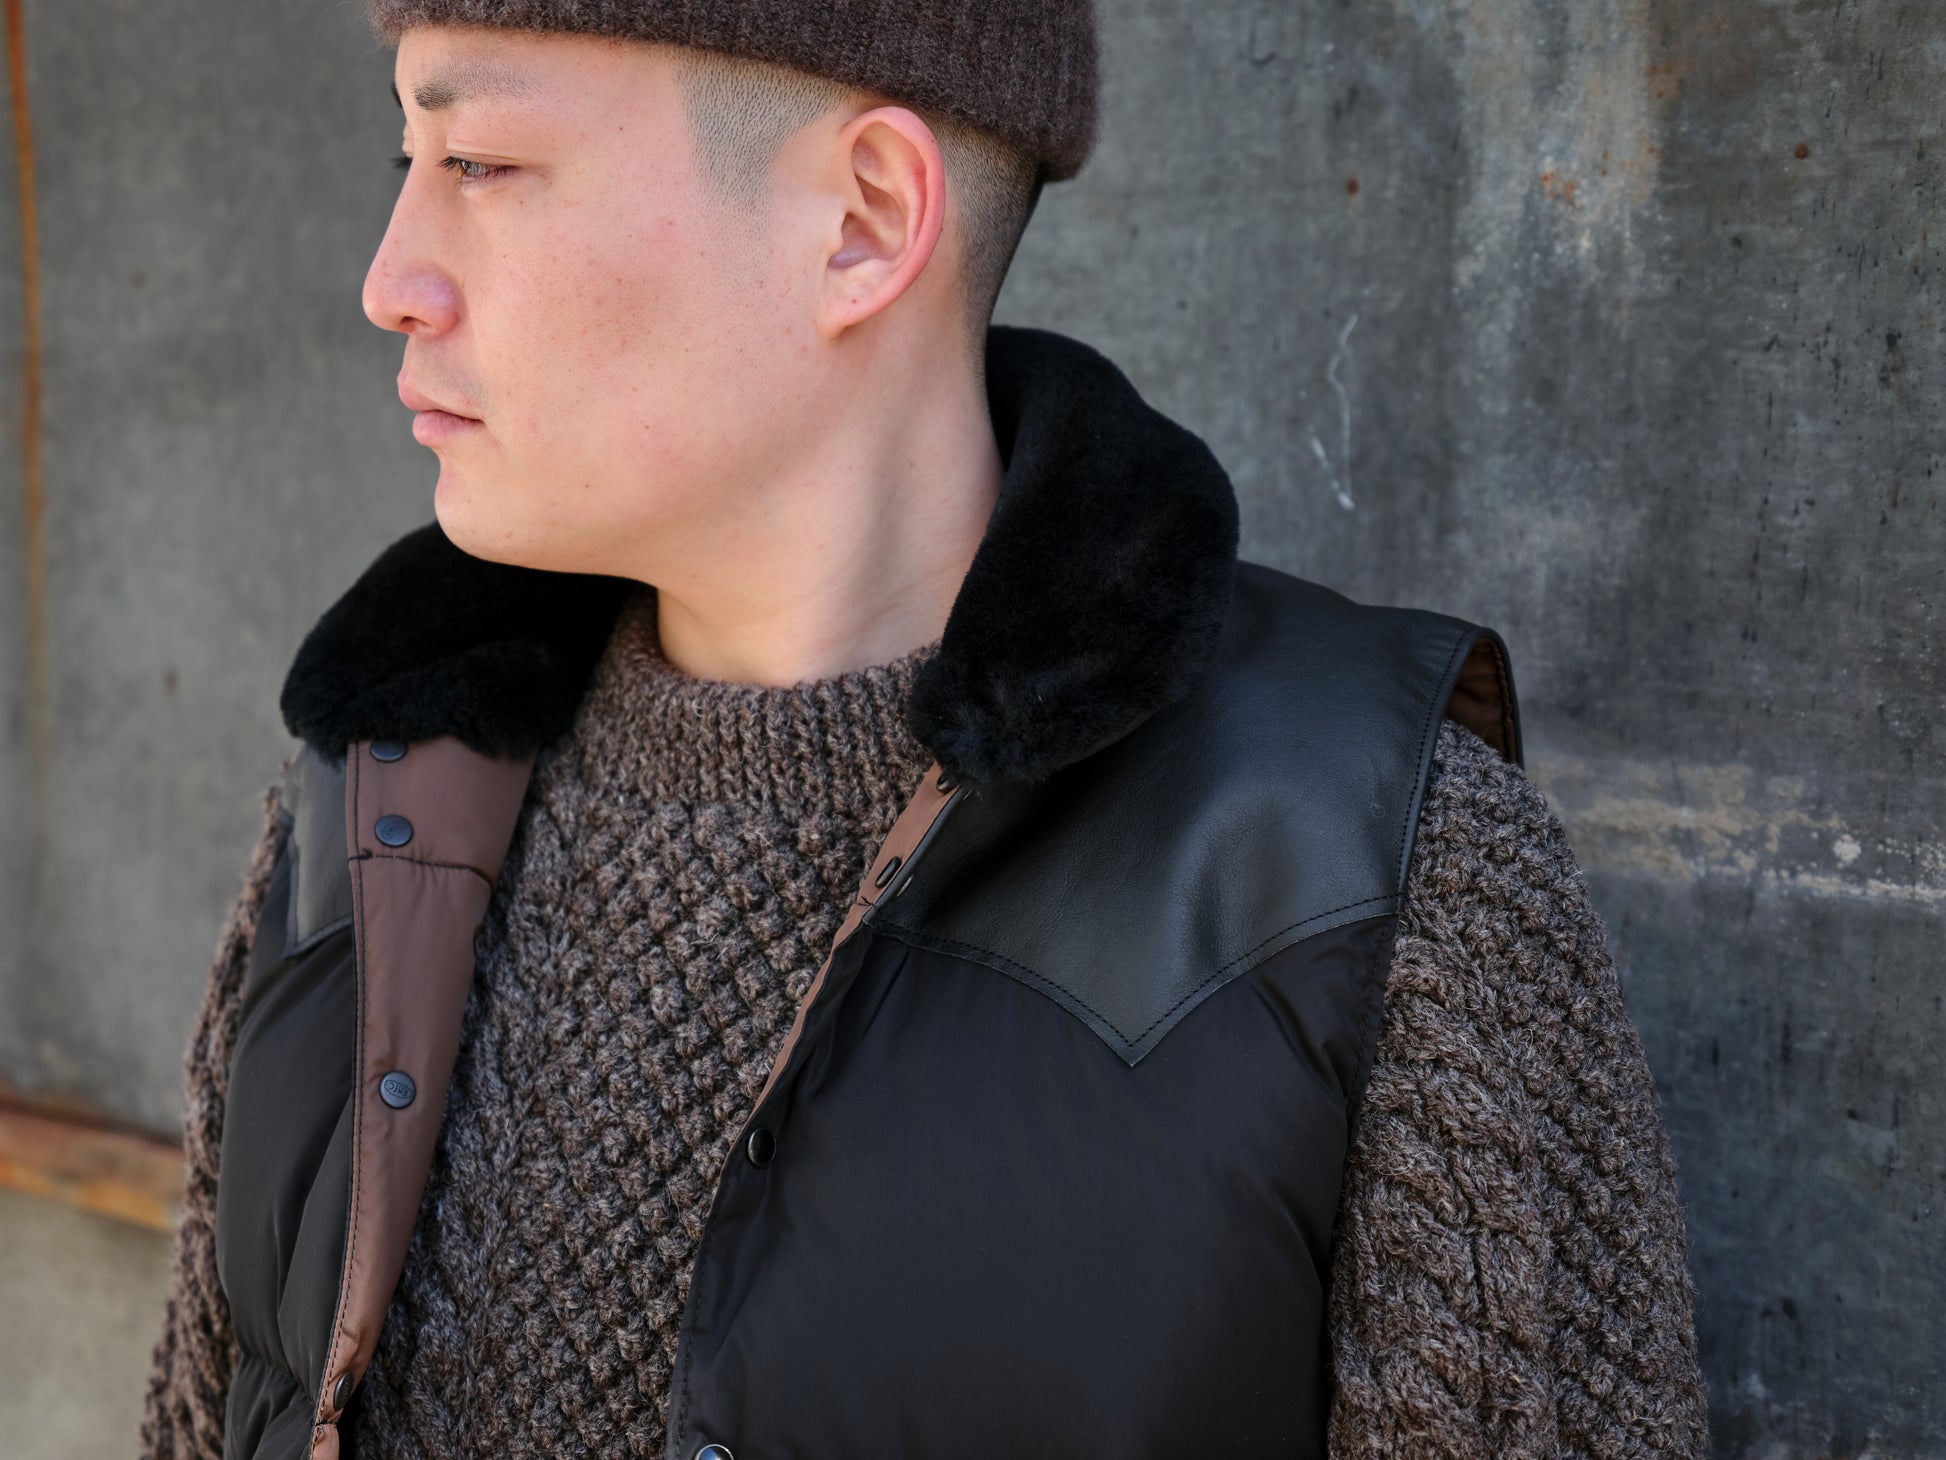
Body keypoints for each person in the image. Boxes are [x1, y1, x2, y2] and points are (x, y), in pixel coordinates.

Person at [141, 3, 1710, 1457]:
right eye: (405, 163)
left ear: (863, 219)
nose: (391, 277)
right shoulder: (381, 797)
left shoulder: (1361, 873)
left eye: (479, 162)